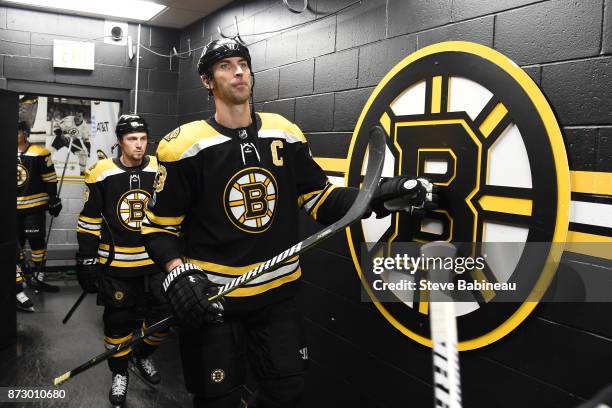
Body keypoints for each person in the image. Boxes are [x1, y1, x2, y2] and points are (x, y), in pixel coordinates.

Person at [142, 38, 437, 408]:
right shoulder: (183, 147)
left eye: (243, 63)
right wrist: (177, 271)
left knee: (287, 393)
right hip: (215, 299)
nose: (238, 71)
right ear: (207, 81)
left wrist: (379, 193)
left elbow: (322, 200)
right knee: (216, 401)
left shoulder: (284, 133)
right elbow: (157, 228)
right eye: (225, 65)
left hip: (277, 296)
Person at [76, 114, 171, 407]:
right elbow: (90, 220)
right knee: (118, 323)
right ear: (119, 141)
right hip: (117, 266)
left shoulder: (160, 169)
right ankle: (120, 372)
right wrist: (87, 258)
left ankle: (140, 355)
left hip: (156, 263)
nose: (139, 145)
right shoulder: (101, 172)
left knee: (165, 318)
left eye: (143, 139)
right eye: (132, 139)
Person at [17, 121, 62, 293]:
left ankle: (38, 275)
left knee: (36, 242)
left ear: (26, 133)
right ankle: (20, 277)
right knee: (16, 244)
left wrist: (53, 198)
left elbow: (50, 179)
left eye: (19, 131)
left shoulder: (40, 153)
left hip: (34, 206)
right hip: (11, 209)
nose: (16, 135)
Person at [52, 107, 91, 175]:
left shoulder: (84, 126)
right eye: (76, 115)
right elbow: (56, 127)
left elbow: (86, 139)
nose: (77, 117)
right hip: (61, 138)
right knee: (50, 151)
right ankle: (45, 168)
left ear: (83, 117)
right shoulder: (68, 119)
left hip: (73, 140)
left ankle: (82, 172)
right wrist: (62, 135)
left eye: (79, 116)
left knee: (83, 154)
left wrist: (88, 149)